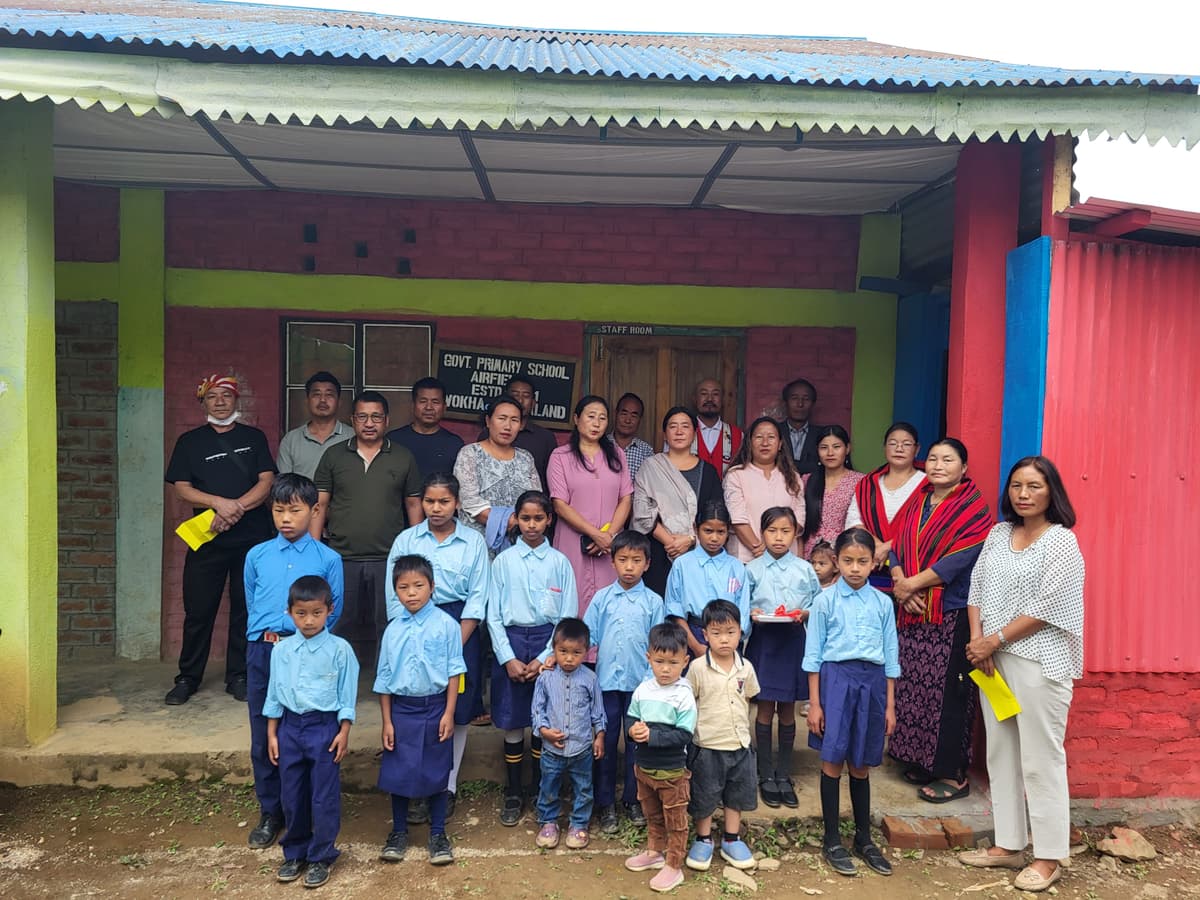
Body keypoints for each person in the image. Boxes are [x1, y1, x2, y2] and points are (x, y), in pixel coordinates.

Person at [959, 456, 1085, 894]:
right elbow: (976, 588)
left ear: (1052, 492)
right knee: (1001, 752)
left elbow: (1050, 607)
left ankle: (1049, 856)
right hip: (992, 661)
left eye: (1034, 486)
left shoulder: (1061, 543)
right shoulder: (998, 534)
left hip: (1038, 662)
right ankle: (1009, 843)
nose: (1024, 494)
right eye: (1016, 486)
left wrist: (993, 640)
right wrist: (978, 643)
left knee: (1041, 758)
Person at [242, 473, 344, 851]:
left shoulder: (327, 558)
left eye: (295, 510)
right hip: (264, 651)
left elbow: (333, 612)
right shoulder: (256, 556)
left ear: (313, 511)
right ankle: (272, 812)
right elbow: (252, 603)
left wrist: (301, 640)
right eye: (279, 510)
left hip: (308, 652)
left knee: (307, 729)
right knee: (263, 732)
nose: (286, 518)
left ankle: (305, 809)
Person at [887, 438, 992, 803]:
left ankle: (951, 772)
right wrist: (901, 583)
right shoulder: (919, 499)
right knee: (915, 688)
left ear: (964, 468)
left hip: (950, 610)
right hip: (913, 609)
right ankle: (922, 759)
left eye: (948, 460)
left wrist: (909, 584)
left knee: (948, 693)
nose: (938, 465)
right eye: (932, 458)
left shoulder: (974, 509)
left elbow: (959, 558)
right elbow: (898, 542)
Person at [164, 373, 275, 706]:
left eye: (226, 395)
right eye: (213, 396)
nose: (220, 401)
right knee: (199, 610)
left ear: (236, 400)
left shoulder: (253, 438)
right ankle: (188, 677)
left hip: (251, 538)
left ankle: (238, 676)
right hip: (207, 537)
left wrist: (236, 508)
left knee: (245, 608)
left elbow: (266, 481)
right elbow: (182, 488)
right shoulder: (190, 441)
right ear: (203, 402)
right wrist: (218, 504)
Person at [385, 473, 489, 823]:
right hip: (413, 627)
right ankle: (416, 786)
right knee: (417, 706)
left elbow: (478, 593)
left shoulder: (473, 542)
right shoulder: (406, 540)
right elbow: (394, 594)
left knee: (455, 707)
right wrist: (410, 634)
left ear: (457, 503)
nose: (436, 508)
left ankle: (447, 785)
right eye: (430, 501)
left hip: (461, 627)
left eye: (444, 501)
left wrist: (454, 640)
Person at [804, 527, 899, 878]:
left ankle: (863, 838)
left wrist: (889, 705)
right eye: (847, 561)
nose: (855, 568)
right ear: (835, 562)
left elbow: (891, 656)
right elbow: (813, 656)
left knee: (861, 762)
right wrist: (815, 703)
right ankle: (832, 839)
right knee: (833, 758)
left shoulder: (882, 603)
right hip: (836, 681)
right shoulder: (824, 601)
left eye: (863, 561)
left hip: (872, 684)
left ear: (874, 562)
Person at [311, 390, 424, 669]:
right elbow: (319, 505)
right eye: (362, 417)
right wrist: (314, 550)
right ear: (353, 420)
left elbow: (413, 504)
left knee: (388, 623)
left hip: (388, 558)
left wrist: (417, 550)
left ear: (386, 420)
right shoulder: (334, 455)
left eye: (376, 417)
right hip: (341, 557)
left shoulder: (403, 456)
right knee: (337, 621)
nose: (369, 423)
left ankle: (387, 680)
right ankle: (330, 677)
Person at [487, 490, 579, 826]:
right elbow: (492, 615)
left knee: (544, 720)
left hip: (548, 645)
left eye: (538, 518)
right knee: (513, 721)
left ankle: (543, 788)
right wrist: (507, 657)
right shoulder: (503, 562)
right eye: (525, 518)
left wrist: (546, 657)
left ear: (549, 520)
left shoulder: (560, 563)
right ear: (516, 519)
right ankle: (513, 791)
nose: (531, 525)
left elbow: (567, 614)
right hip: (511, 642)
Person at [264, 575, 358, 889]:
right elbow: (274, 694)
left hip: (324, 727)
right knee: (292, 794)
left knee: (323, 796)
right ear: (289, 612)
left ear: (329, 610)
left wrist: (344, 731)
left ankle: (321, 856)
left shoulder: (341, 650)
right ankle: (295, 852)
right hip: (290, 728)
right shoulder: (281, 650)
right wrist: (272, 733)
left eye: (316, 613)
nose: (309, 620)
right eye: (301, 613)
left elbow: (347, 696)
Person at [376, 555, 466, 868]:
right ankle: (398, 831)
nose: (411, 593)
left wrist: (449, 713)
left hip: (435, 707)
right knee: (398, 771)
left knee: (436, 772)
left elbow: (455, 672)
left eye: (418, 586)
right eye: (403, 587)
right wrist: (387, 721)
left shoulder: (447, 625)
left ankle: (438, 833)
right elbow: (385, 680)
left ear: (432, 587)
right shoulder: (392, 630)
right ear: (395, 591)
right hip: (402, 710)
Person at [582, 529, 665, 834]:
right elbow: (586, 635)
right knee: (603, 744)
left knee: (636, 744)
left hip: (640, 687)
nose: (629, 566)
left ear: (647, 563)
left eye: (636, 560)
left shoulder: (654, 602)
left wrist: (650, 681)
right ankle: (605, 804)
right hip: (605, 685)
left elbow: (659, 645)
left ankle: (633, 800)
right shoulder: (602, 599)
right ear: (612, 562)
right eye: (623, 560)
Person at [745, 507, 821, 808]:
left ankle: (783, 773)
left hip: (792, 640)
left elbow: (819, 603)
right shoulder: (751, 570)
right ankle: (765, 774)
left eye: (785, 531)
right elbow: (742, 606)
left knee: (788, 708)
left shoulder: (804, 569)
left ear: (795, 534)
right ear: (762, 533)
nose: (778, 537)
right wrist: (751, 614)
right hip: (764, 641)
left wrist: (806, 613)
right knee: (764, 708)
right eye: (772, 531)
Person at [684, 600, 760, 874]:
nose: (724, 639)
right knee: (704, 794)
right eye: (716, 633)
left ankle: (731, 838)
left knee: (735, 794)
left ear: (741, 632)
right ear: (705, 634)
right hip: (707, 745)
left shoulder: (746, 667)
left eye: (730, 632)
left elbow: (749, 697)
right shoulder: (696, 668)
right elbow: (688, 700)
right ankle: (703, 838)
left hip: (738, 743)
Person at [622, 622, 697, 894]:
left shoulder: (683, 695)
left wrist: (651, 736)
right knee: (651, 814)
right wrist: (632, 729)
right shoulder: (643, 689)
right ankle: (654, 852)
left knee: (676, 821)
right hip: (644, 769)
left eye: (673, 662)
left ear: (685, 661)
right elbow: (631, 717)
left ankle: (674, 865)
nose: (665, 668)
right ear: (648, 658)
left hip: (672, 774)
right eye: (659, 661)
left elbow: (684, 735)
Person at [549, 395, 633, 626]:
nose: (596, 423)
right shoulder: (561, 457)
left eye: (602, 418)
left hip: (610, 544)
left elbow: (626, 497)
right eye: (591, 416)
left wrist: (609, 536)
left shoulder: (617, 455)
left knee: (610, 607)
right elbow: (559, 504)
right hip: (572, 542)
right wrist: (595, 534)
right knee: (571, 602)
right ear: (576, 419)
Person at [531, 617, 607, 851]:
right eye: (562, 651)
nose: (569, 658)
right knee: (549, 786)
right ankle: (548, 822)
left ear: (586, 652)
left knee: (583, 787)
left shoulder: (590, 679)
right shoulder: (545, 677)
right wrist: (543, 731)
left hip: (582, 748)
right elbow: (537, 709)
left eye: (576, 652)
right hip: (552, 749)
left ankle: (579, 824)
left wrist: (600, 736)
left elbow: (597, 711)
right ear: (553, 649)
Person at [631, 406, 722, 596]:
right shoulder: (650, 467)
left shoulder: (709, 472)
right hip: (658, 553)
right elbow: (641, 511)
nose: (679, 432)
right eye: (673, 427)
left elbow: (716, 514)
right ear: (665, 434)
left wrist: (689, 540)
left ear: (695, 434)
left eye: (685, 426)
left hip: (698, 553)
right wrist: (670, 542)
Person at [457, 394, 542, 558]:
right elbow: (471, 503)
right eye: (502, 418)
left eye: (514, 420)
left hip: (519, 547)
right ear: (488, 421)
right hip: (478, 547)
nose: (508, 426)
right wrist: (508, 522)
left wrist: (522, 523)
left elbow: (536, 501)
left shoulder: (526, 458)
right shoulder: (470, 454)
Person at [664, 500, 750, 659]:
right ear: (696, 528)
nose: (714, 538)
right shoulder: (682, 565)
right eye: (708, 531)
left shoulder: (736, 567)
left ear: (728, 531)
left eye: (721, 532)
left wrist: (730, 642)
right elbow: (674, 611)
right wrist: (696, 646)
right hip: (692, 636)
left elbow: (743, 611)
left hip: (728, 639)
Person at [846, 422, 927, 592]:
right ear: (884, 447)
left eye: (906, 444)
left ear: (917, 449)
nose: (899, 448)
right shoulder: (868, 484)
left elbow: (926, 525)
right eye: (893, 443)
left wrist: (888, 547)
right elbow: (854, 521)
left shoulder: (928, 483)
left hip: (913, 569)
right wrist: (877, 546)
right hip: (872, 566)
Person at [723, 416, 805, 562]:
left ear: (780, 444)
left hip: (786, 558)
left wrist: (779, 550)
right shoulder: (736, 475)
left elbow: (799, 519)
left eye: (771, 437)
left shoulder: (793, 477)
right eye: (759, 437)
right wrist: (762, 552)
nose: (765, 443)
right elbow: (738, 519)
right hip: (747, 558)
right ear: (749, 442)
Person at [478, 376, 559, 490]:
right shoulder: (489, 433)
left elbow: (550, 479)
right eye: (515, 395)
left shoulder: (545, 438)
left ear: (533, 402)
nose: (520, 400)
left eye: (526, 396)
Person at [800, 425, 865, 558]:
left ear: (847, 449)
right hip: (810, 555)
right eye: (824, 447)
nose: (830, 453)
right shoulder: (807, 480)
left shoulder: (860, 481)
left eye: (836, 447)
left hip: (844, 553)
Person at [275, 371, 351, 480]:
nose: (323, 400)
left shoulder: (353, 437)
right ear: (307, 401)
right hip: (301, 498)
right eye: (316, 394)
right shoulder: (291, 440)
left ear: (339, 402)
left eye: (329, 395)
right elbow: (284, 485)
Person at [385, 376, 464, 480]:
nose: (429, 407)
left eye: (435, 402)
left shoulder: (455, 444)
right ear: (413, 405)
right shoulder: (393, 440)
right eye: (423, 401)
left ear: (444, 407)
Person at [691, 378, 742, 479]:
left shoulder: (738, 435)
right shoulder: (682, 433)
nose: (709, 399)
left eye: (715, 394)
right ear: (695, 399)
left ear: (723, 399)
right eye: (704, 393)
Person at [781, 378, 822, 475]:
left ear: (813, 404)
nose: (800, 404)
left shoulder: (822, 435)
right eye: (794, 398)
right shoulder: (774, 432)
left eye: (806, 399)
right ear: (785, 402)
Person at [611, 392, 655, 481]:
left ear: (640, 419)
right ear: (616, 414)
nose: (628, 420)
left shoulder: (647, 452)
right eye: (624, 414)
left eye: (634, 416)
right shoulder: (601, 445)